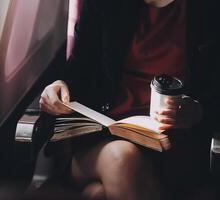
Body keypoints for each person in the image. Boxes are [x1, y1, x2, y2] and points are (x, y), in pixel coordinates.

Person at [39, 0, 220, 199]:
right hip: (103, 137)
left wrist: (199, 111)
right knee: (123, 160)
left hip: (176, 143)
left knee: (99, 194)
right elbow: (79, 69)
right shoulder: (105, 4)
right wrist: (57, 87)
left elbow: (213, 91)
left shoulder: (208, 8)